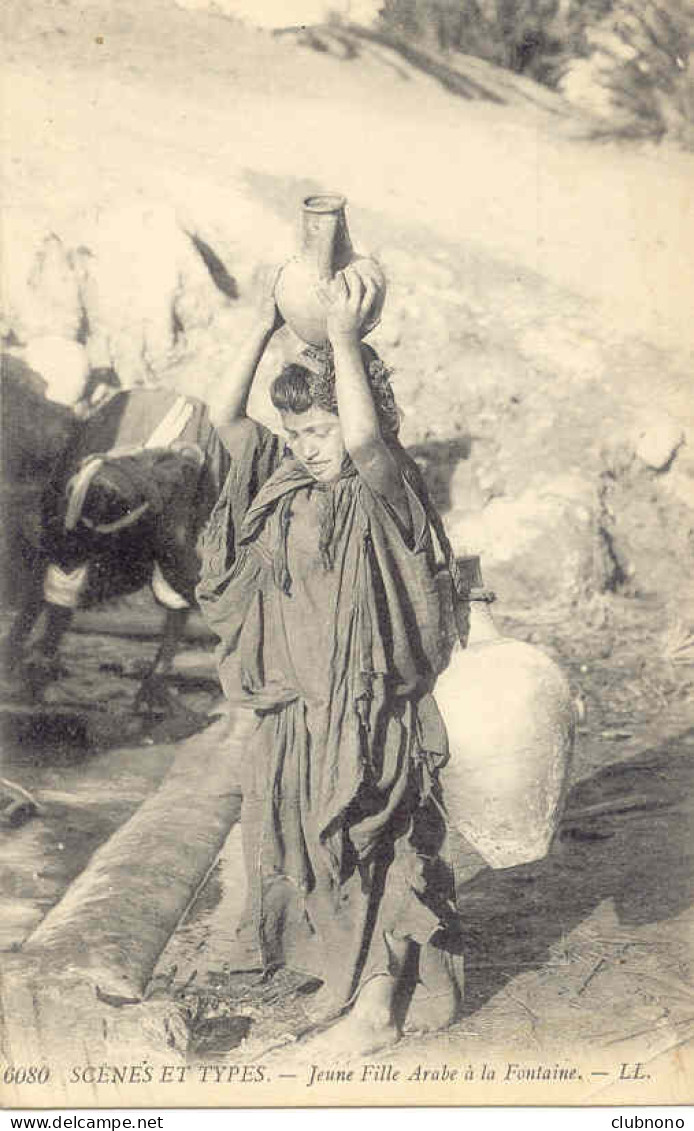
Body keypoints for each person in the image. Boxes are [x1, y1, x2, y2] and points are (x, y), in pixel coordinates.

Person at [197, 266, 463, 1052]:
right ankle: (361, 988)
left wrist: (342, 337)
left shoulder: (386, 483)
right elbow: (222, 415)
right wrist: (263, 321)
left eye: (317, 431)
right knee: (318, 854)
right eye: (297, 435)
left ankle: (378, 1010)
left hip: (370, 709)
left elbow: (358, 437)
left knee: (377, 839)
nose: (309, 448)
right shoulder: (284, 484)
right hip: (300, 712)